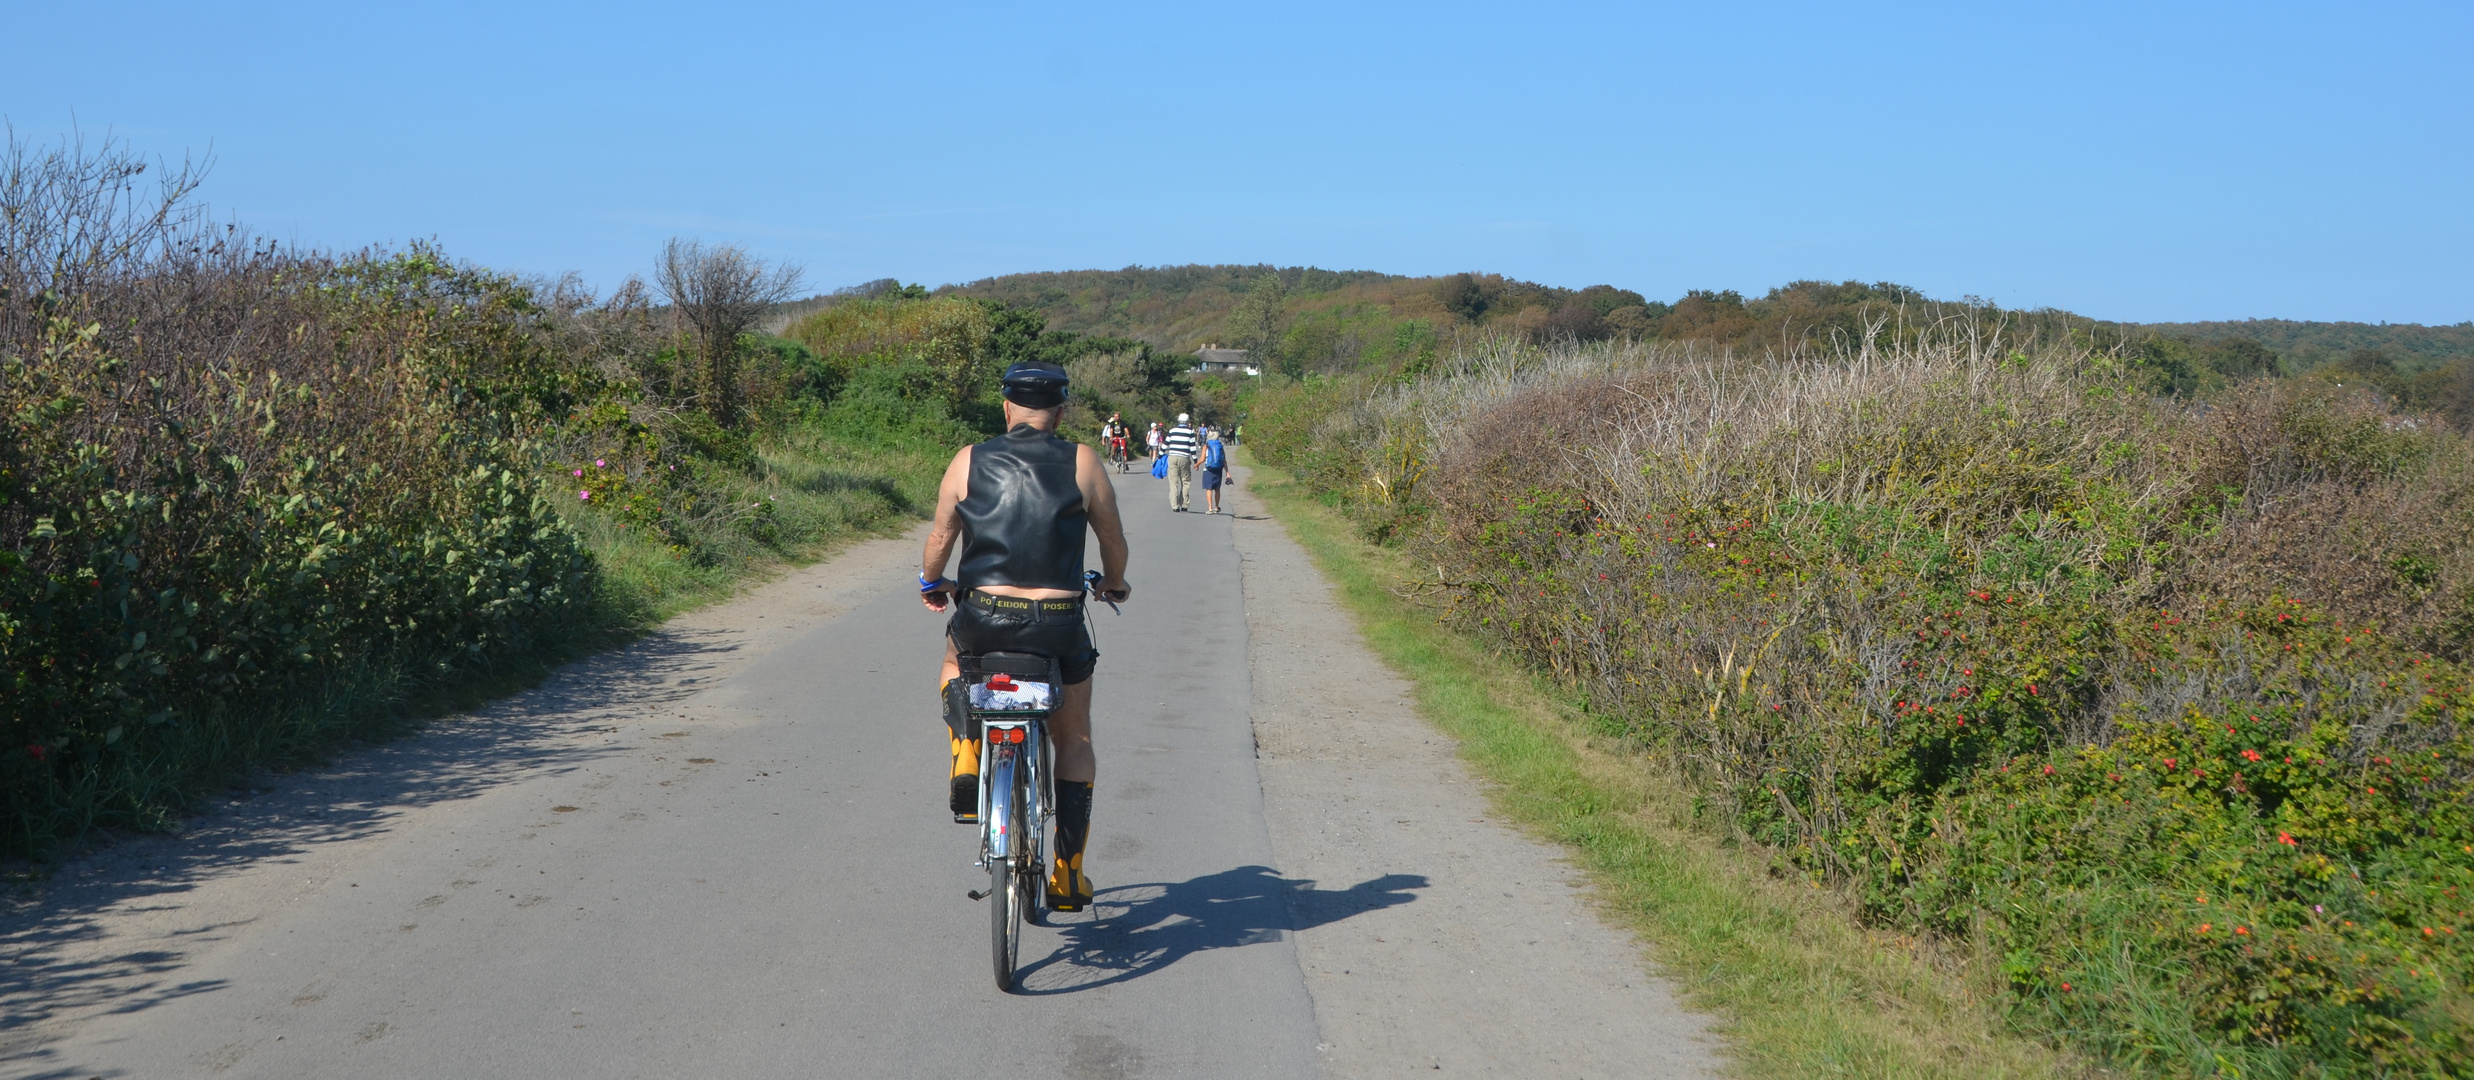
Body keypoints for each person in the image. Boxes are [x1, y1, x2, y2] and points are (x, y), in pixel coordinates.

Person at [919, 361, 1132, 912]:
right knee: (1075, 739)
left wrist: (931, 582)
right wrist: (1114, 583)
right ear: (1060, 412)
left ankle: (967, 749)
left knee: (953, 662)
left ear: (1006, 407)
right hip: (1058, 622)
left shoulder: (968, 459)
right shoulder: (1083, 460)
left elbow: (942, 534)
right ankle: (1067, 872)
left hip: (984, 613)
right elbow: (1112, 538)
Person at [1161, 413, 1200, 512]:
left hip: (1173, 457)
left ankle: (1174, 505)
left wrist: (1160, 455)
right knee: (1185, 481)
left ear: (1178, 421)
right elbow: (1192, 448)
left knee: (1173, 482)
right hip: (1184, 458)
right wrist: (1196, 461)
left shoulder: (1172, 431)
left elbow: (1165, 444)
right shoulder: (1190, 432)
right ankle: (1184, 504)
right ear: (1187, 422)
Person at [1199, 426, 1228, 515]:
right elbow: (1224, 460)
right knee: (1217, 489)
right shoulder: (1220, 446)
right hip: (1218, 469)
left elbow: (1203, 458)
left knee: (1209, 489)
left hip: (1208, 469)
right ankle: (1216, 506)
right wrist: (1227, 472)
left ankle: (1210, 508)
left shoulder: (1206, 446)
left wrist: (1196, 465)